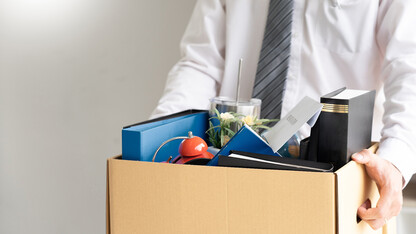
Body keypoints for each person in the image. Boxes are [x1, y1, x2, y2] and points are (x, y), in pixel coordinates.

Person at [151, 0, 416, 230]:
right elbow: (201, 62)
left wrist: (396, 159)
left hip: (335, 178)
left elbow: (409, 66)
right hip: (228, 172)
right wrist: (156, 141)